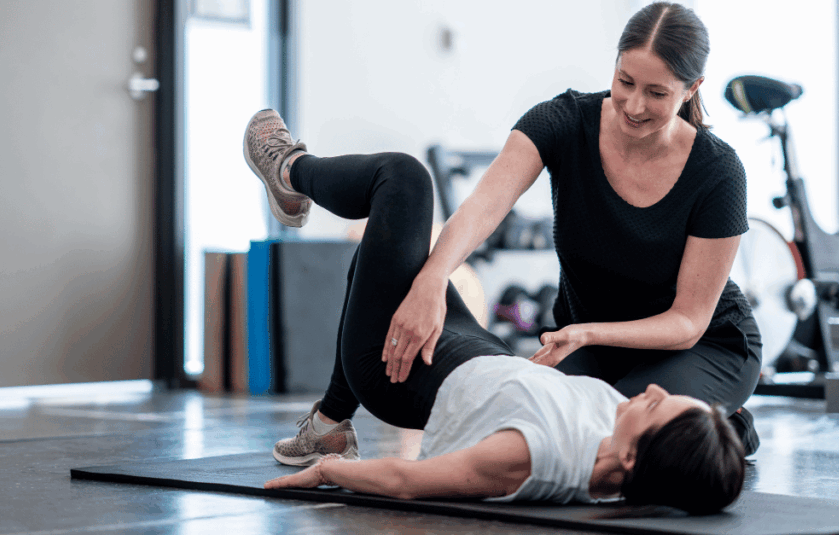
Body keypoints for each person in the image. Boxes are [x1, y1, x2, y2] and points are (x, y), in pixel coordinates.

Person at [275, 1, 763, 460]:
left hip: (698, 345)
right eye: (625, 81)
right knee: (531, 428)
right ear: (614, 65)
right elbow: (485, 206)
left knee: (609, 438)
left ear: (692, 89)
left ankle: (726, 423)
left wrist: (586, 332)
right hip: (590, 347)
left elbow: (688, 322)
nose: (633, 105)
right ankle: (330, 420)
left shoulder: (718, 172)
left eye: (657, 93)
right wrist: (431, 279)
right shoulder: (563, 121)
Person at [242, 108, 746, 513]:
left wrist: (328, 476)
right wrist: (717, 439)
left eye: (658, 405)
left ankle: (289, 169)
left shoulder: (536, 458)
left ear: (633, 457)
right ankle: (328, 427)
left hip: (397, 371)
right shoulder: (620, 437)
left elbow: (406, 480)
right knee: (391, 261)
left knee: (404, 180)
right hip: (482, 351)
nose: (655, 390)